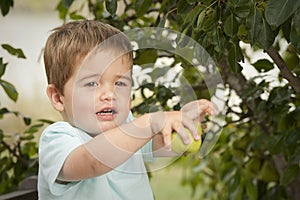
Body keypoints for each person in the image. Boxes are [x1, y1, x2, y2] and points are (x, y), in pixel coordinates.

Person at [38, 20, 218, 200]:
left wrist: (183, 126)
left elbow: (165, 145)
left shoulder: (127, 128)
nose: (109, 94)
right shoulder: (57, 139)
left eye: (120, 83)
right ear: (57, 97)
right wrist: (149, 122)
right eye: (92, 83)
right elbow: (93, 161)